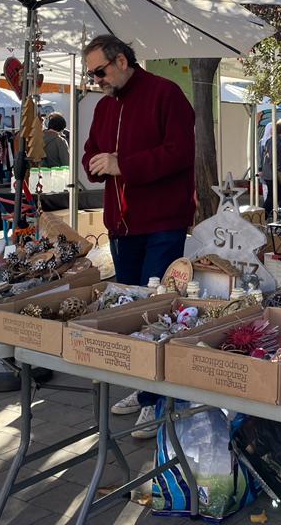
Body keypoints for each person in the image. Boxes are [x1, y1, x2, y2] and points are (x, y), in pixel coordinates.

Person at [81, 34, 195, 438]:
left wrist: (122, 164)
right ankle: (141, 387)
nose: (96, 80)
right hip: (121, 225)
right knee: (129, 310)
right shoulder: (103, 106)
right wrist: (96, 164)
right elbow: (91, 153)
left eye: (100, 71)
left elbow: (180, 153)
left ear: (123, 61)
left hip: (162, 221)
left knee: (157, 310)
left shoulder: (167, 94)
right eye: (91, 74)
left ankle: (157, 398)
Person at [261, 118, 281, 219]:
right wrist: (280, 168)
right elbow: (273, 158)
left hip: (278, 174)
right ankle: (260, 217)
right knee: (274, 198)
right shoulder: (274, 141)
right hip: (275, 174)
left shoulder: (280, 140)